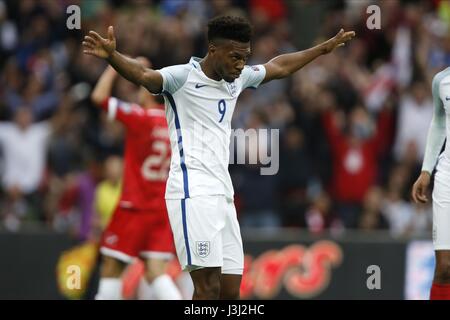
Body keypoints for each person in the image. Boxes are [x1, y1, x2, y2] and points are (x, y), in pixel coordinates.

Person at [83, 15, 355, 300]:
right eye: (235, 57)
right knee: (207, 287)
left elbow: (279, 67)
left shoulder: (236, 79)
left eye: (245, 57)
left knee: (230, 290)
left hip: (223, 194)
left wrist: (321, 49)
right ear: (213, 50)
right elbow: (143, 75)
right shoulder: (182, 78)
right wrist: (113, 57)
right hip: (192, 192)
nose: (241, 64)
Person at [91, 60, 181, 300]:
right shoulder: (175, 125)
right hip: (161, 209)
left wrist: (113, 65)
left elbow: (99, 97)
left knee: (112, 267)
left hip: (133, 206)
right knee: (156, 272)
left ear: (149, 92)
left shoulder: (140, 117)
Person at [412, 67, 450, 300]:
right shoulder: (442, 81)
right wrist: (426, 170)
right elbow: (438, 122)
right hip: (447, 176)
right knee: (445, 267)